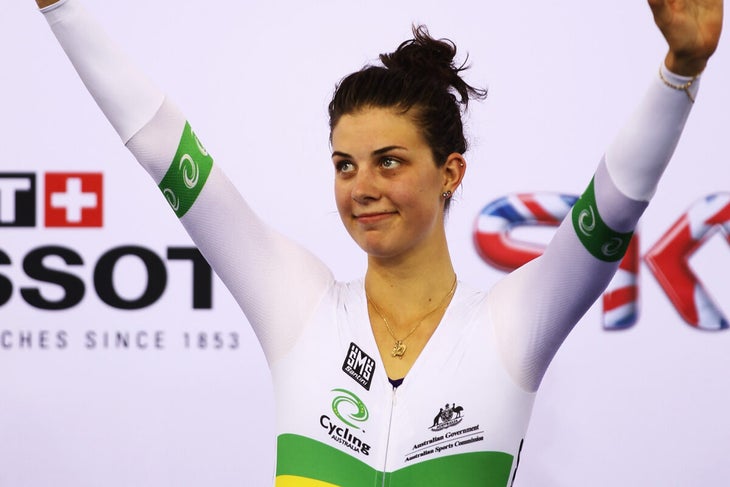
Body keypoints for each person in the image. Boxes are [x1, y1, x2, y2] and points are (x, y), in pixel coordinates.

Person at [31, 0, 723, 485]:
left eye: (389, 160)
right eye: (344, 164)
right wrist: (61, 7)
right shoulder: (297, 305)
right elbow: (165, 150)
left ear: (450, 170)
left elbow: (610, 212)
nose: (361, 186)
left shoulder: (511, 323)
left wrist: (680, 71)